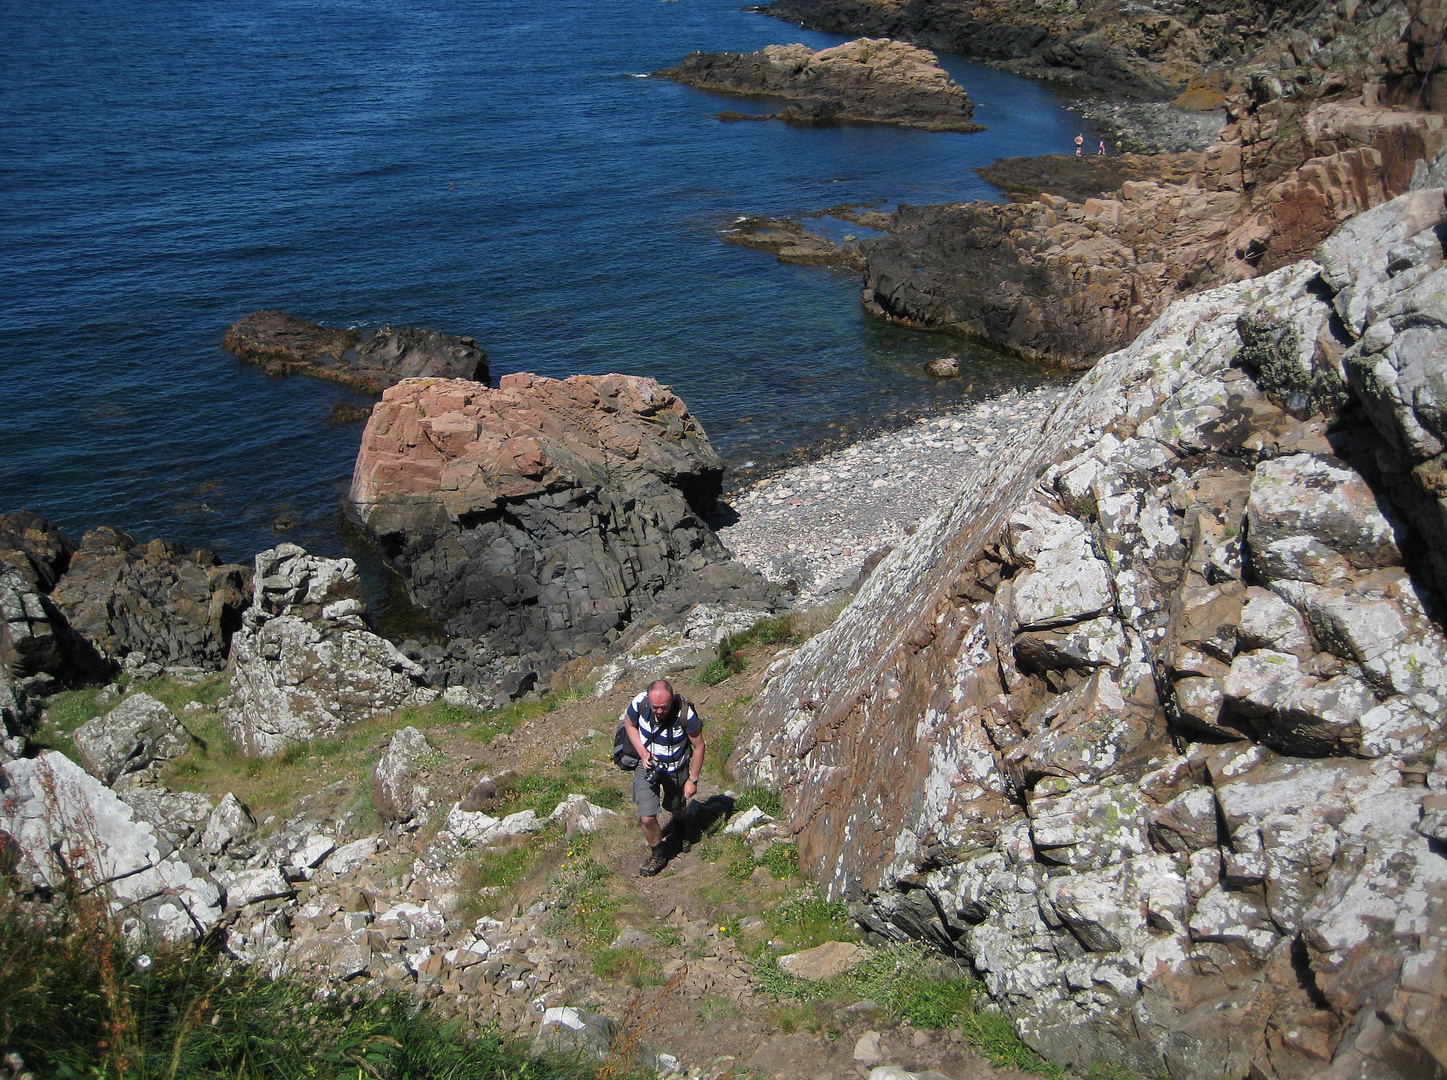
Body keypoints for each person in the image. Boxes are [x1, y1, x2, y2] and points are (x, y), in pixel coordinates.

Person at [622, 679, 705, 876]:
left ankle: (680, 829)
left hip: (676, 769)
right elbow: (629, 724)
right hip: (647, 766)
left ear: (672, 700)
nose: (659, 712)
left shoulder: (686, 715)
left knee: (676, 806)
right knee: (646, 816)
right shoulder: (639, 704)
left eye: (664, 707)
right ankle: (658, 853)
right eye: (655, 707)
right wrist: (643, 753)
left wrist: (692, 779)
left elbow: (699, 746)